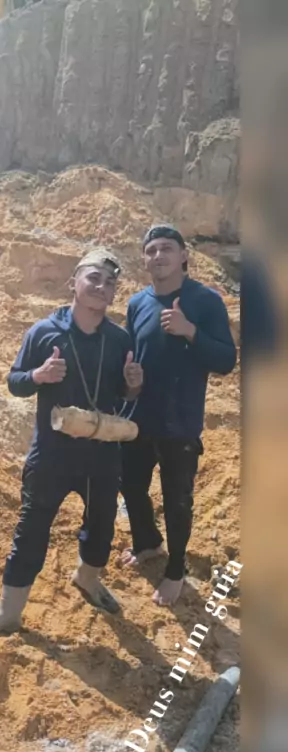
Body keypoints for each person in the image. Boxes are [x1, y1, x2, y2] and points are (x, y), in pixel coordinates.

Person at [0, 249, 143, 635]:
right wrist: (39, 376)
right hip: (52, 453)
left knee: (102, 525)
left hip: (101, 453)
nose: (101, 287)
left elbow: (122, 395)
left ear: (114, 294)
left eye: (109, 283)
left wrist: (133, 385)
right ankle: (8, 612)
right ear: (73, 283)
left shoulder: (118, 339)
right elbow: (14, 383)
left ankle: (87, 578)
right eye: (93, 278)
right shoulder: (44, 332)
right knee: (32, 529)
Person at [119, 224, 237, 607]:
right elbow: (132, 356)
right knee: (130, 485)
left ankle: (175, 570)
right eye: (151, 250)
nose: (158, 256)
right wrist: (129, 380)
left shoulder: (205, 301)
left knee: (177, 500)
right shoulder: (137, 304)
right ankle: (147, 543)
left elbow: (226, 360)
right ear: (144, 259)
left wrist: (190, 332)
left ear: (184, 256)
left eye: (167, 248)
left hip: (180, 422)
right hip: (138, 417)